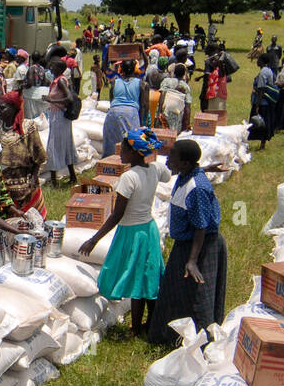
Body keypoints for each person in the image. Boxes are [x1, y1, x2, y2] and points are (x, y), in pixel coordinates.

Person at [80, 128, 170, 338]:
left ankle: (136, 329)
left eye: (124, 149)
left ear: (133, 152)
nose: (119, 152)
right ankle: (152, 322)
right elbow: (167, 174)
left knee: (137, 279)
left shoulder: (128, 177)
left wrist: (94, 239)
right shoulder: (155, 168)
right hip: (149, 228)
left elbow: (117, 214)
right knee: (149, 276)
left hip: (132, 233)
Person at [146, 139, 226, 345]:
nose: (167, 158)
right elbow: (195, 174)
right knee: (175, 290)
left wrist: (192, 261)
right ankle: (171, 336)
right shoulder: (187, 175)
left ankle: (198, 341)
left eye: (172, 156)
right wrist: (205, 169)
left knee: (195, 295)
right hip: (186, 244)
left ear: (184, 164)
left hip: (200, 246)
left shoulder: (196, 188)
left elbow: (201, 226)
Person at [0, 92, 47, 218]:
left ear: (14, 108)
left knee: (30, 224)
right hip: (3, 186)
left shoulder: (28, 127)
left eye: (3, 108)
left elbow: (39, 156)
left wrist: (33, 180)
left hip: (25, 185)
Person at [45, 58, 77, 186]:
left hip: (60, 117)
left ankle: (54, 181)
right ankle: (72, 176)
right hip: (57, 116)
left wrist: (51, 100)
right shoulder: (56, 81)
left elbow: (69, 98)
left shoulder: (61, 81)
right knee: (65, 144)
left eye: (53, 67)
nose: (51, 69)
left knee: (54, 145)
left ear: (58, 68)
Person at [103, 60, 142, 158]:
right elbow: (144, 106)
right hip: (131, 113)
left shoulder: (115, 82)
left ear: (121, 69)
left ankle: (109, 164)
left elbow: (111, 102)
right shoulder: (140, 83)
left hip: (113, 113)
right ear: (134, 69)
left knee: (111, 143)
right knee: (130, 143)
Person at [250, 56, 279, 148]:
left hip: (262, 102)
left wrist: (257, 105)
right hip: (266, 102)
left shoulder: (263, 72)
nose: (257, 61)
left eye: (258, 59)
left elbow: (261, 89)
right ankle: (263, 142)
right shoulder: (269, 70)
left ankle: (262, 142)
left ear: (262, 61)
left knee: (259, 123)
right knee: (265, 122)